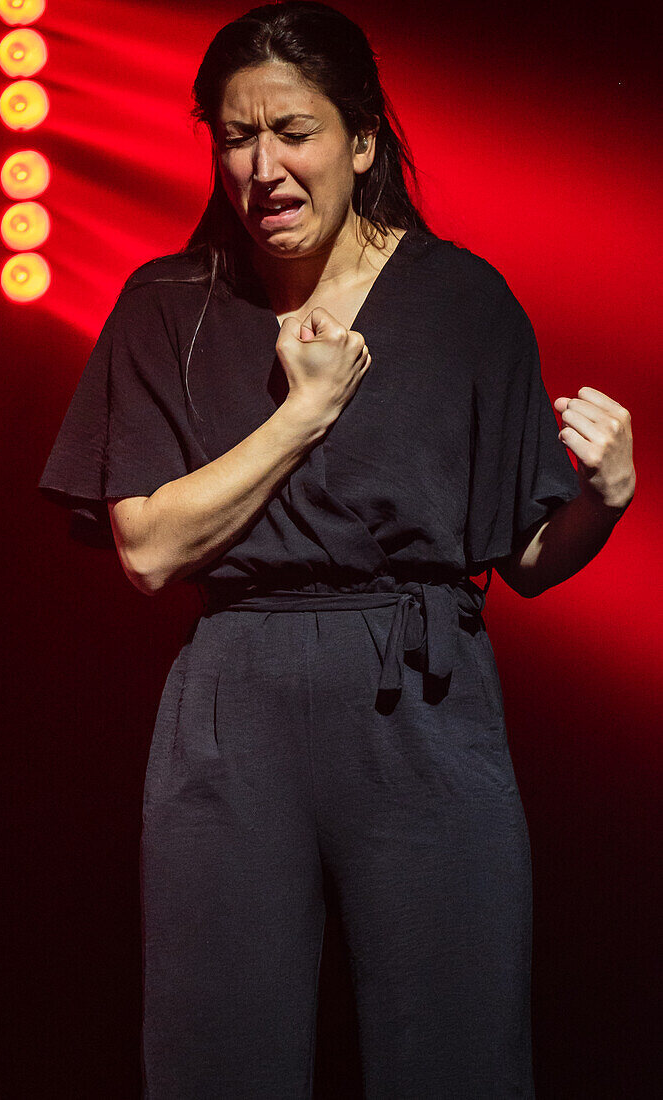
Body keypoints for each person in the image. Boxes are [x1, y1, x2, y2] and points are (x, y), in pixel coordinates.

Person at [37, 2, 636, 1096]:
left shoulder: (463, 301)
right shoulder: (167, 305)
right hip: (235, 697)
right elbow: (145, 548)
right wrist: (301, 415)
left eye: (293, 132)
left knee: (454, 1043)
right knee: (217, 1051)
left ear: (361, 140)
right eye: (234, 135)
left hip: (421, 700)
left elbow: (530, 554)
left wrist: (606, 497)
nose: (260, 166)